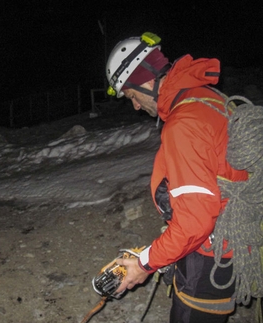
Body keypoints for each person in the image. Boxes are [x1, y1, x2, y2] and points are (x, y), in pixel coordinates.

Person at [105, 32, 249, 322]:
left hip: (211, 257)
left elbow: (194, 222)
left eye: (132, 96)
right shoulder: (206, 98)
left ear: (145, 80)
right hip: (232, 236)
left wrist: (143, 264)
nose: (134, 106)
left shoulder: (184, 124)